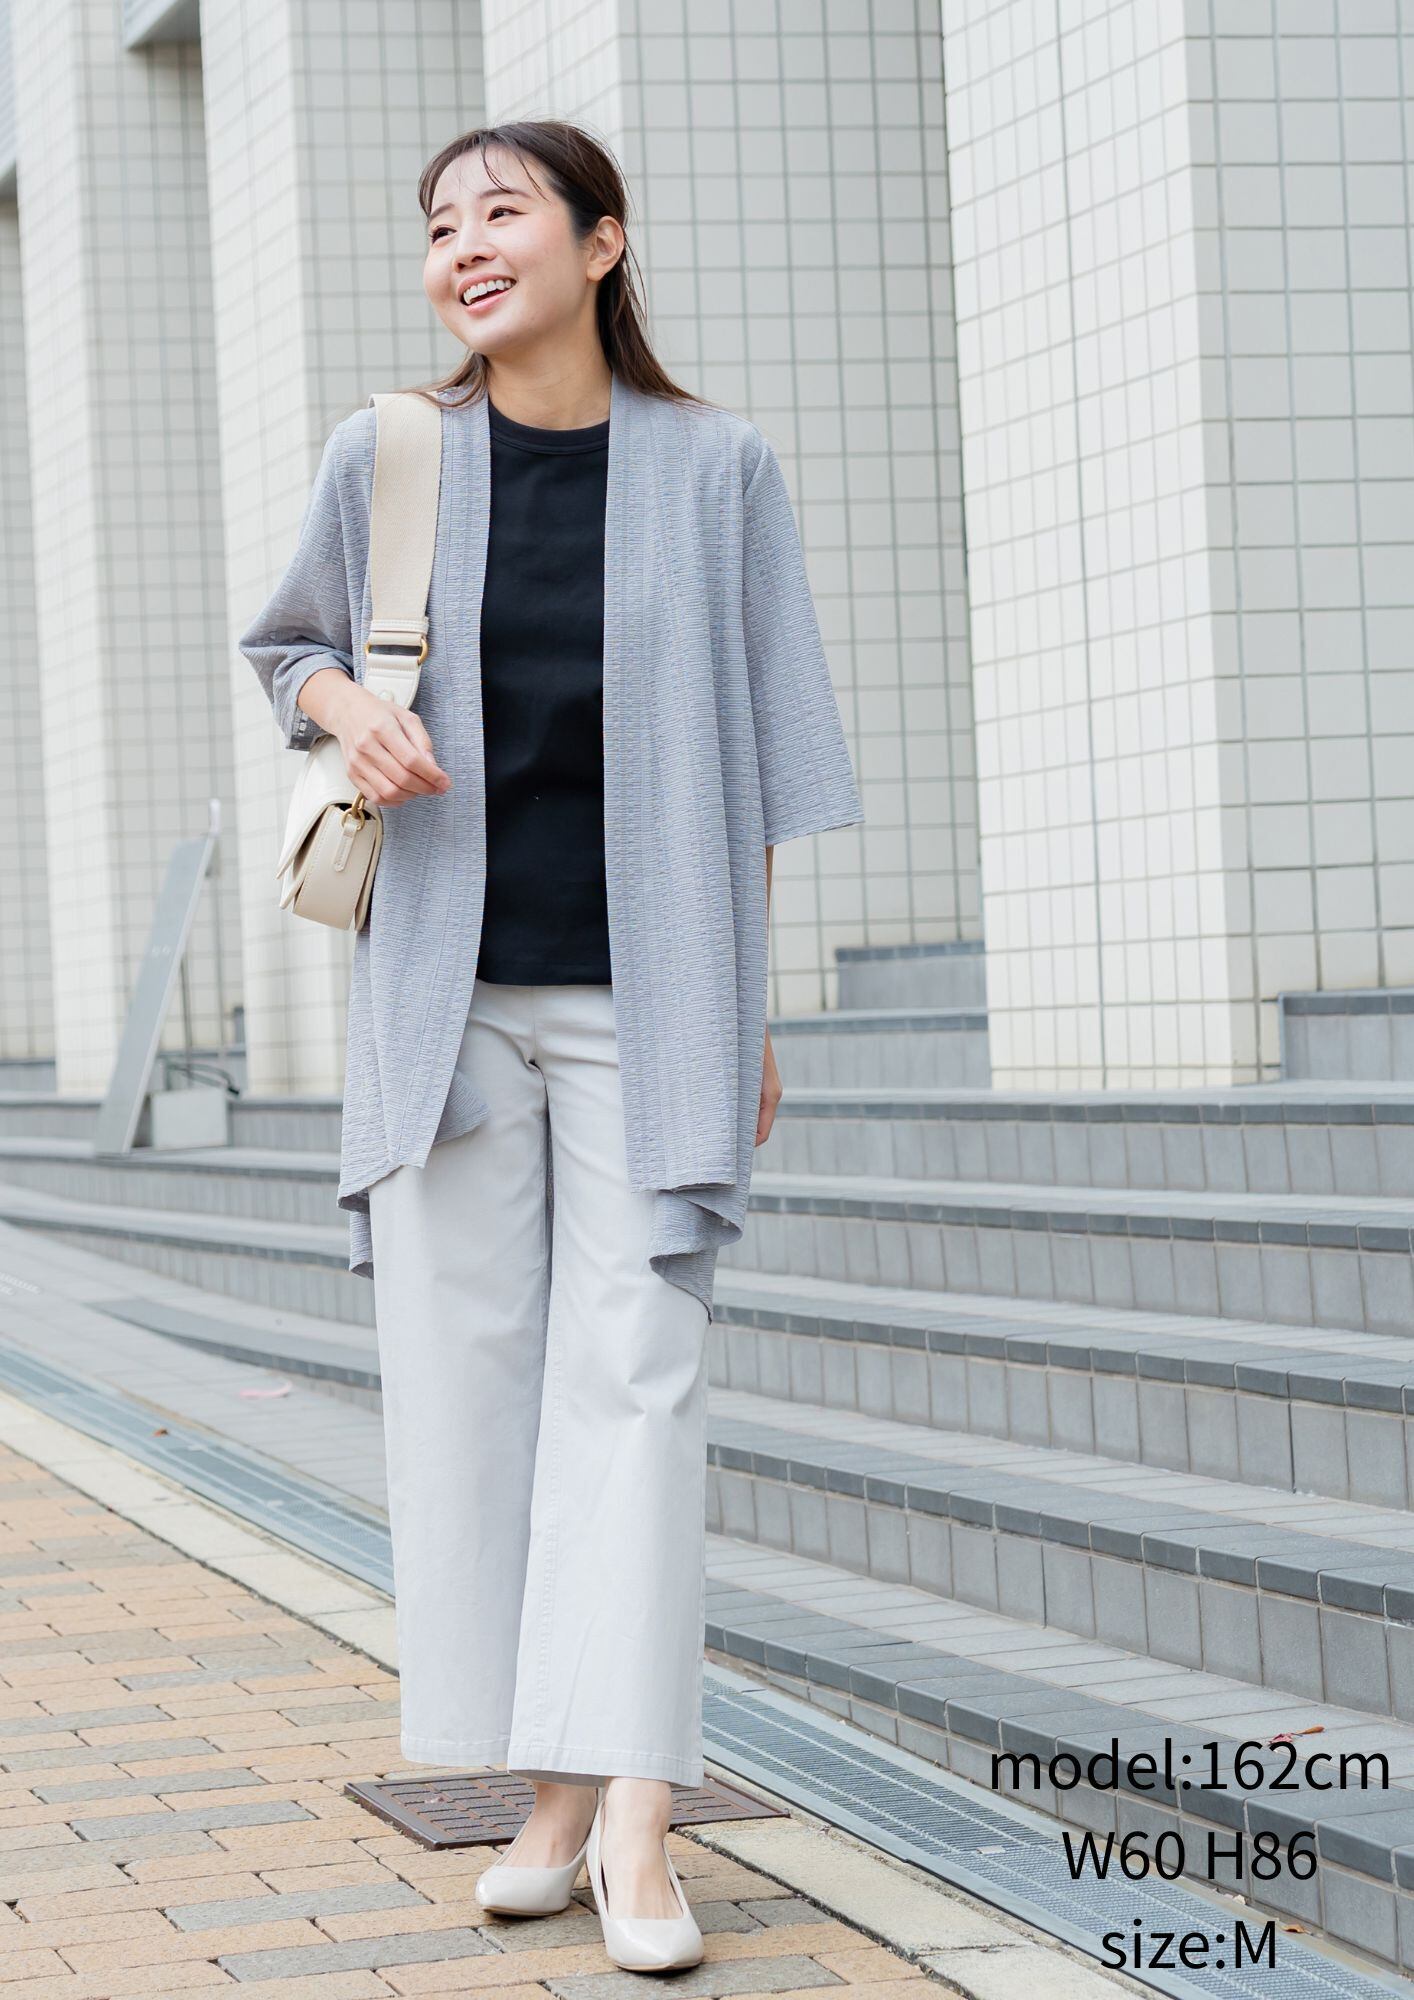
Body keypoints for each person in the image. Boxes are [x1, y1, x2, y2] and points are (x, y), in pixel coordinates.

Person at [239, 119, 863, 1973]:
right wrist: (347, 704)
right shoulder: (390, 453)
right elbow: (286, 648)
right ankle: (555, 1794)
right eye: (439, 223)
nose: (464, 245)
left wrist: (747, 1007)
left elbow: (760, 752)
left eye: (501, 211)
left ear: (602, 242)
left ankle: (642, 1821)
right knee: (475, 1402)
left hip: (644, 1007)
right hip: (441, 1006)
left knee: (640, 1389)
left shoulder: (717, 467)